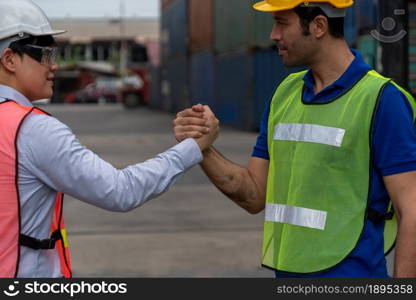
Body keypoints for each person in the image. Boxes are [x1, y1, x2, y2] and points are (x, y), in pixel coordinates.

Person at [173, 0, 416, 278]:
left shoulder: (382, 100)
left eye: (282, 23)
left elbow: (411, 209)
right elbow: (253, 195)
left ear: (319, 25)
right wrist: (201, 147)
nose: (273, 35)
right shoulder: (284, 94)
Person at [0, 0, 218, 278]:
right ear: (9, 59)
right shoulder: (32, 129)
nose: (53, 66)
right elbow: (120, 191)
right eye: (44, 55)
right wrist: (193, 147)